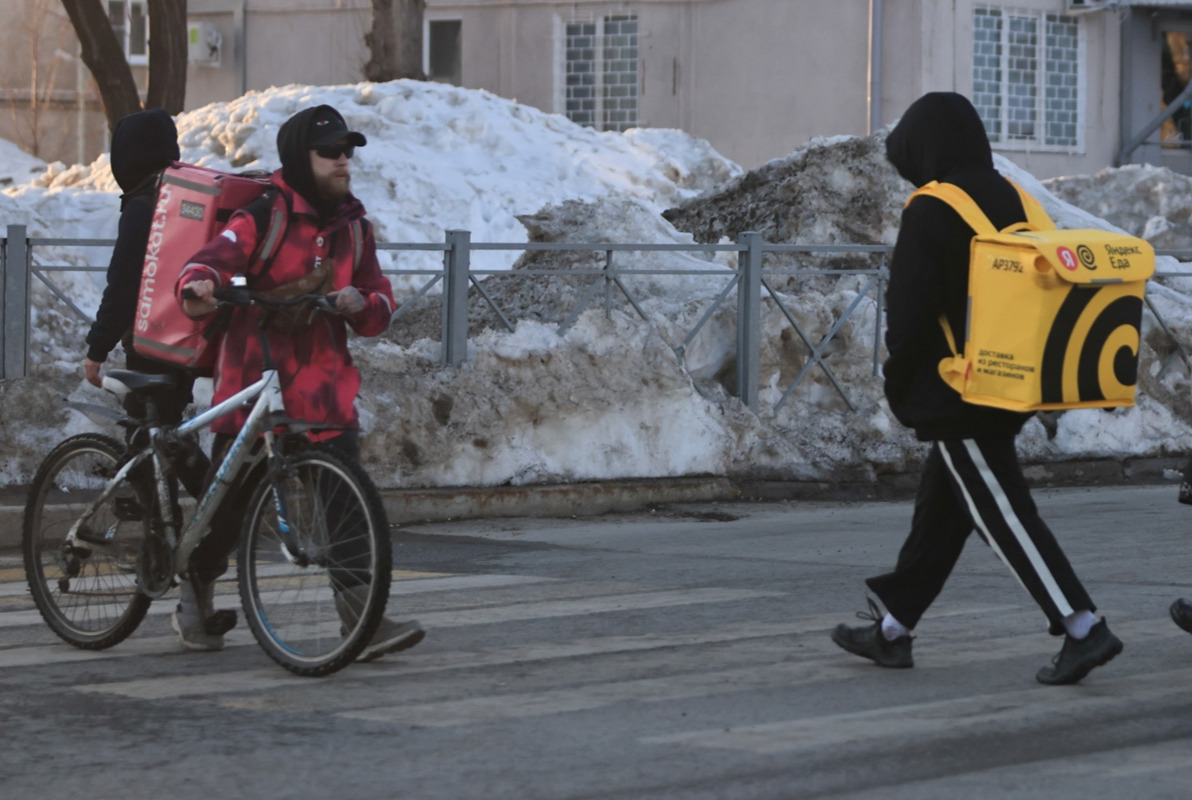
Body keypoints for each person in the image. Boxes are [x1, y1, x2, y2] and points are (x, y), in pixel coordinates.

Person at [829, 92, 1122, 686]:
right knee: (944, 511)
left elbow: (909, 315)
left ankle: (1082, 626)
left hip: (955, 388)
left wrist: (899, 381)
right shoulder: (1012, 198)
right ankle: (893, 631)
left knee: (1003, 513)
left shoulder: (931, 209)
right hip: (1009, 378)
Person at [175, 104, 425, 658]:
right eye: (330, 152)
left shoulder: (354, 228)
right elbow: (213, 260)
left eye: (347, 152)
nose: (343, 162)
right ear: (299, 158)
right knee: (229, 505)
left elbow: (381, 304)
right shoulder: (265, 216)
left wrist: (365, 303)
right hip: (257, 385)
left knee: (345, 503)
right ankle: (195, 591)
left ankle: (360, 619)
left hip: (324, 391)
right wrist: (199, 285)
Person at [82, 108, 210, 497]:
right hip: (188, 339)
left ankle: (175, 532)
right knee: (163, 435)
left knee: (151, 437)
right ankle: (194, 521)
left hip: (150, 345)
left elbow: (122, 285)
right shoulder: (186, 198)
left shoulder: (142, 205)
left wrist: (97, 348)